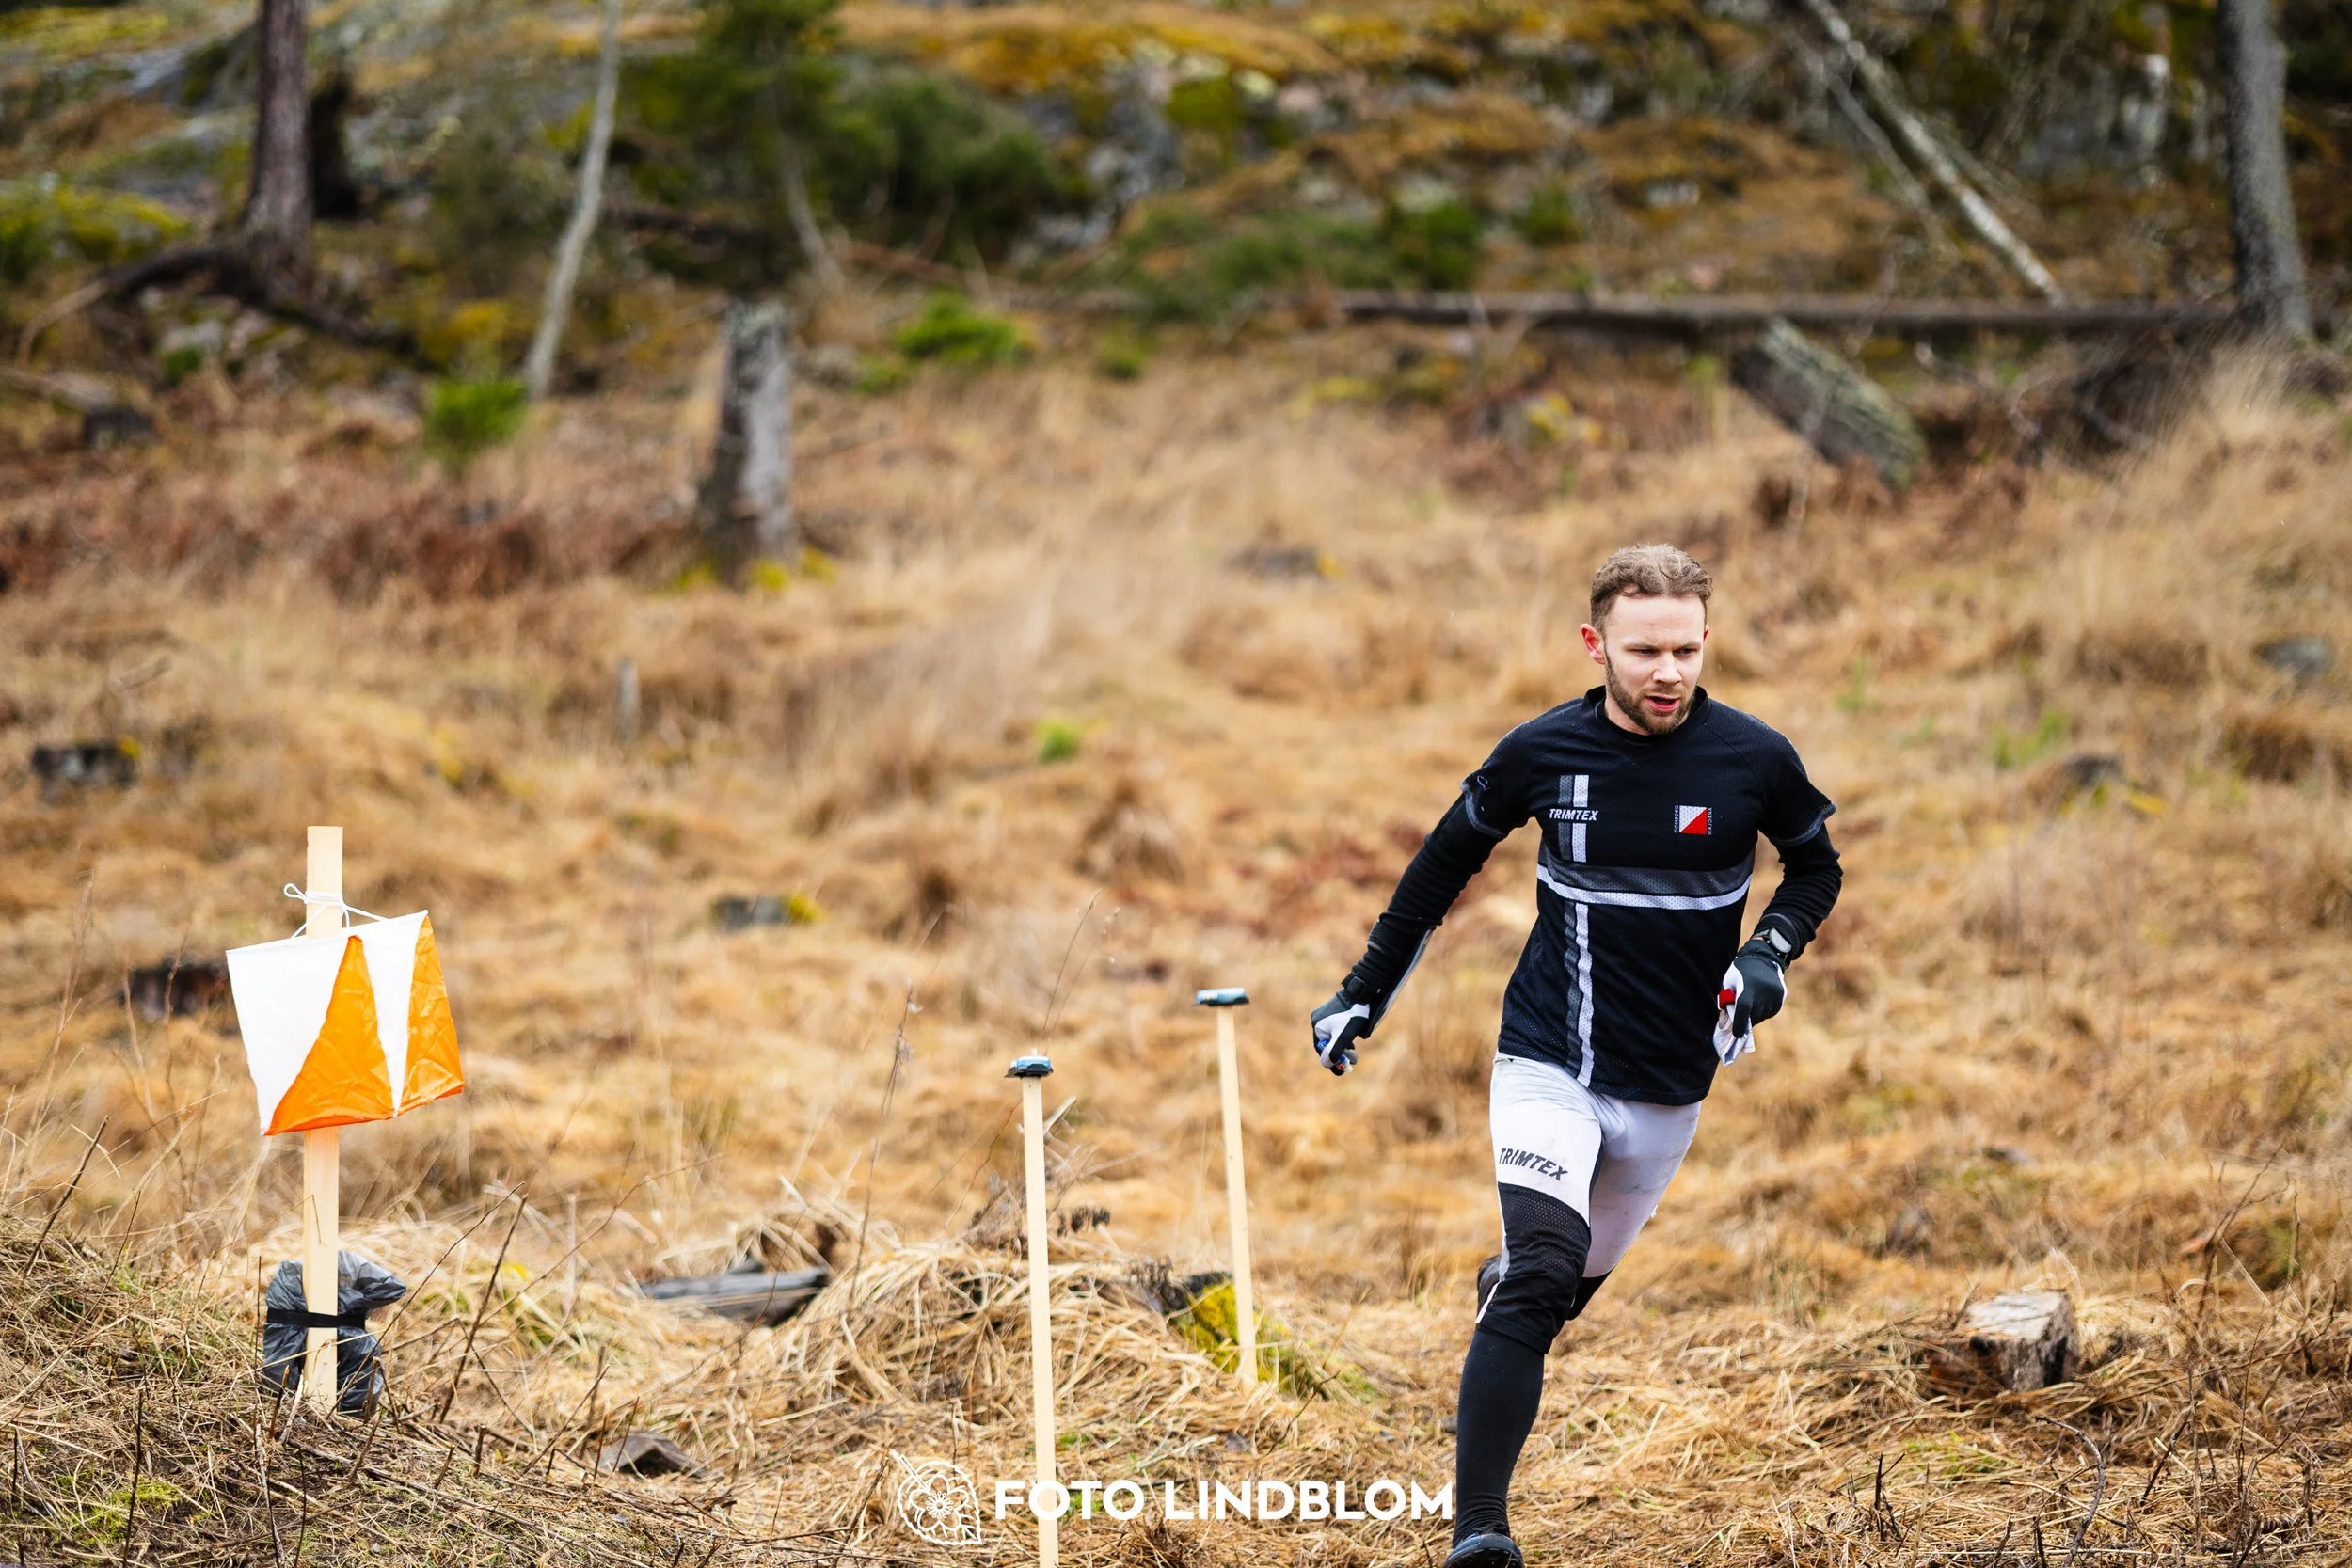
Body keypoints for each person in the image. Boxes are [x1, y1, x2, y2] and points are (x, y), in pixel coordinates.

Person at [1310, 544, 1843, 1568]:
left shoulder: (1753, 758)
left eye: (1685, 649)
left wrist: (1768, 953)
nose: (1668, 672)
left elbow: (1816, 866)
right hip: (1547, 1058)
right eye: (1644, 651)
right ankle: (1479, 1530)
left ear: (1705, 641)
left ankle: (1508, 1285)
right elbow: (1441, 866)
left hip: (1670, 1087)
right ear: (1596, 644)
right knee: (1543, 1271)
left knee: (1548, 1295)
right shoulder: (1543, 751)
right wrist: (1362, 991)